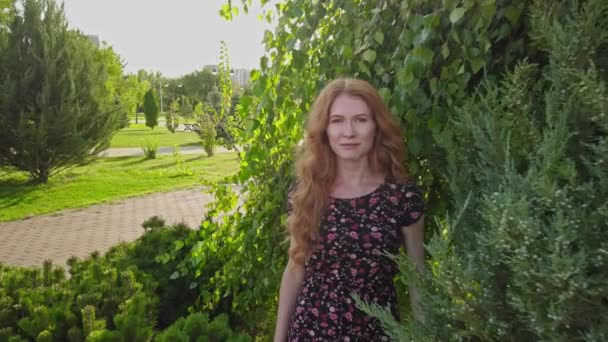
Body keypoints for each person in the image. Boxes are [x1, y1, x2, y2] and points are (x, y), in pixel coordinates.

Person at [274, 78, 426, 341]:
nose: (349, 132)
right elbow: (294, 269)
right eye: (337, 121)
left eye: (360, 120)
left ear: (377, 127)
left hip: (375, 333)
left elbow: (417, 277)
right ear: (325, 130)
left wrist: (426, 335)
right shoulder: (308, 190)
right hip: (309, 332)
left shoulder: (401, 196)